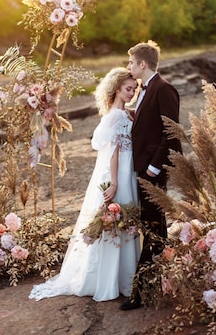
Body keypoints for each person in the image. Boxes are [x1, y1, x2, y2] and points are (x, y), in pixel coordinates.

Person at [29, 67, 141, 302]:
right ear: (117, 89)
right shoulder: (117, 116)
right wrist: (115, 182)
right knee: (117, 220)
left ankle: (114, 278)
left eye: (134, 89)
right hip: (118, 172)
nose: (132, 93)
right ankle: (113, 280)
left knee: (121, 222)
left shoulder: (120, 113)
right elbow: (114, 152)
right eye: (128, 89)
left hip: (124, 171)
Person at [121, 40, 182, 311]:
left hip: (152, 171)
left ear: (142, 64)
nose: (129, 67)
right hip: (142, 168)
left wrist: (153, 169)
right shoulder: (146, 90)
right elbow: (150, 124)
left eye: (131, 63)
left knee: (152, 228)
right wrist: (128, 115)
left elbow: (171, 132)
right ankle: (162, 281)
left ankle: (140, 292)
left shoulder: (164, 88)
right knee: (156, 227)